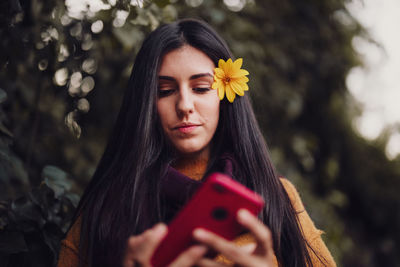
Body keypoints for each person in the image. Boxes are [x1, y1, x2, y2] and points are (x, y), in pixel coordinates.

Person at [57, 19, 336, 267]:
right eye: (165, 91)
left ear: (225, 94)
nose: (184, 105)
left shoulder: (276, 196)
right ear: (146, 104)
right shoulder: (105, 208)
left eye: (201, 88)